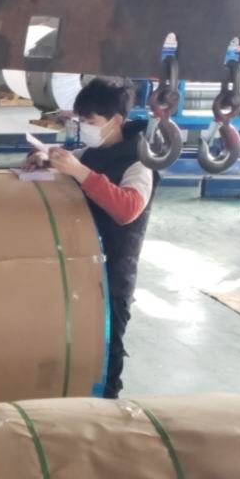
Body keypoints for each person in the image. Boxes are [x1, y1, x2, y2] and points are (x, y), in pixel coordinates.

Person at [28, 77, 157, 398]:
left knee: (107, 348)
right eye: (81, 121)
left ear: (116, 121)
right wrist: (45, 162)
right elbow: (69, 171)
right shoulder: (90, 152)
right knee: (77, 342)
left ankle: (107, 409)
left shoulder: (140, 162)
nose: (84, 127)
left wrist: (79, 171)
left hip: (113, 273)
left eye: (91, 121)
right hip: (80, 266)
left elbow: (127, 209)